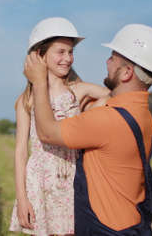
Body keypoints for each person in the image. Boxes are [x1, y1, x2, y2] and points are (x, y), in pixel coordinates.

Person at [24, 24, 152, 235]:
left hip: (104, 228)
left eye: (113, 58)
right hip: (131, 224)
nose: (107, 62)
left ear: (127, 72)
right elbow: (90, 104)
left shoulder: (107, 119)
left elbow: (47, 132)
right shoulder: (143, 115)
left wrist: (38, 81)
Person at [9, 17, 110, 236]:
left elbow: (113, 97)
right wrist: (22, 198)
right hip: (41, 180)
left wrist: (92, 109)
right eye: (61, 52)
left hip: (71, 177)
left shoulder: (79, 91)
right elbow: (20, 151)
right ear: (39, 55)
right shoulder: (25, 101)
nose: (68, 58)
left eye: (71, 52)